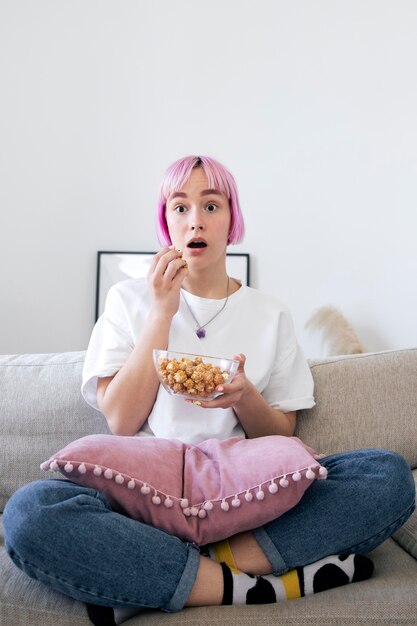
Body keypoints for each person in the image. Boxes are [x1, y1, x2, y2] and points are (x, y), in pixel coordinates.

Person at [3, 156, 415, 626]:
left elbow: (283, 431)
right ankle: (250, 584)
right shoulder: (128, 301)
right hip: (142, 500)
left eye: (211, 205)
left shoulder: (269, 314)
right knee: (30, 512)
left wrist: (244, 396)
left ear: (231, 220)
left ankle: (162, 577)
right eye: (179, 208)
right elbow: (120, 420)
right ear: (166, 224)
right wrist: (161, 313)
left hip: (244, 497)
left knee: (386, 474)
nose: (195, 219)